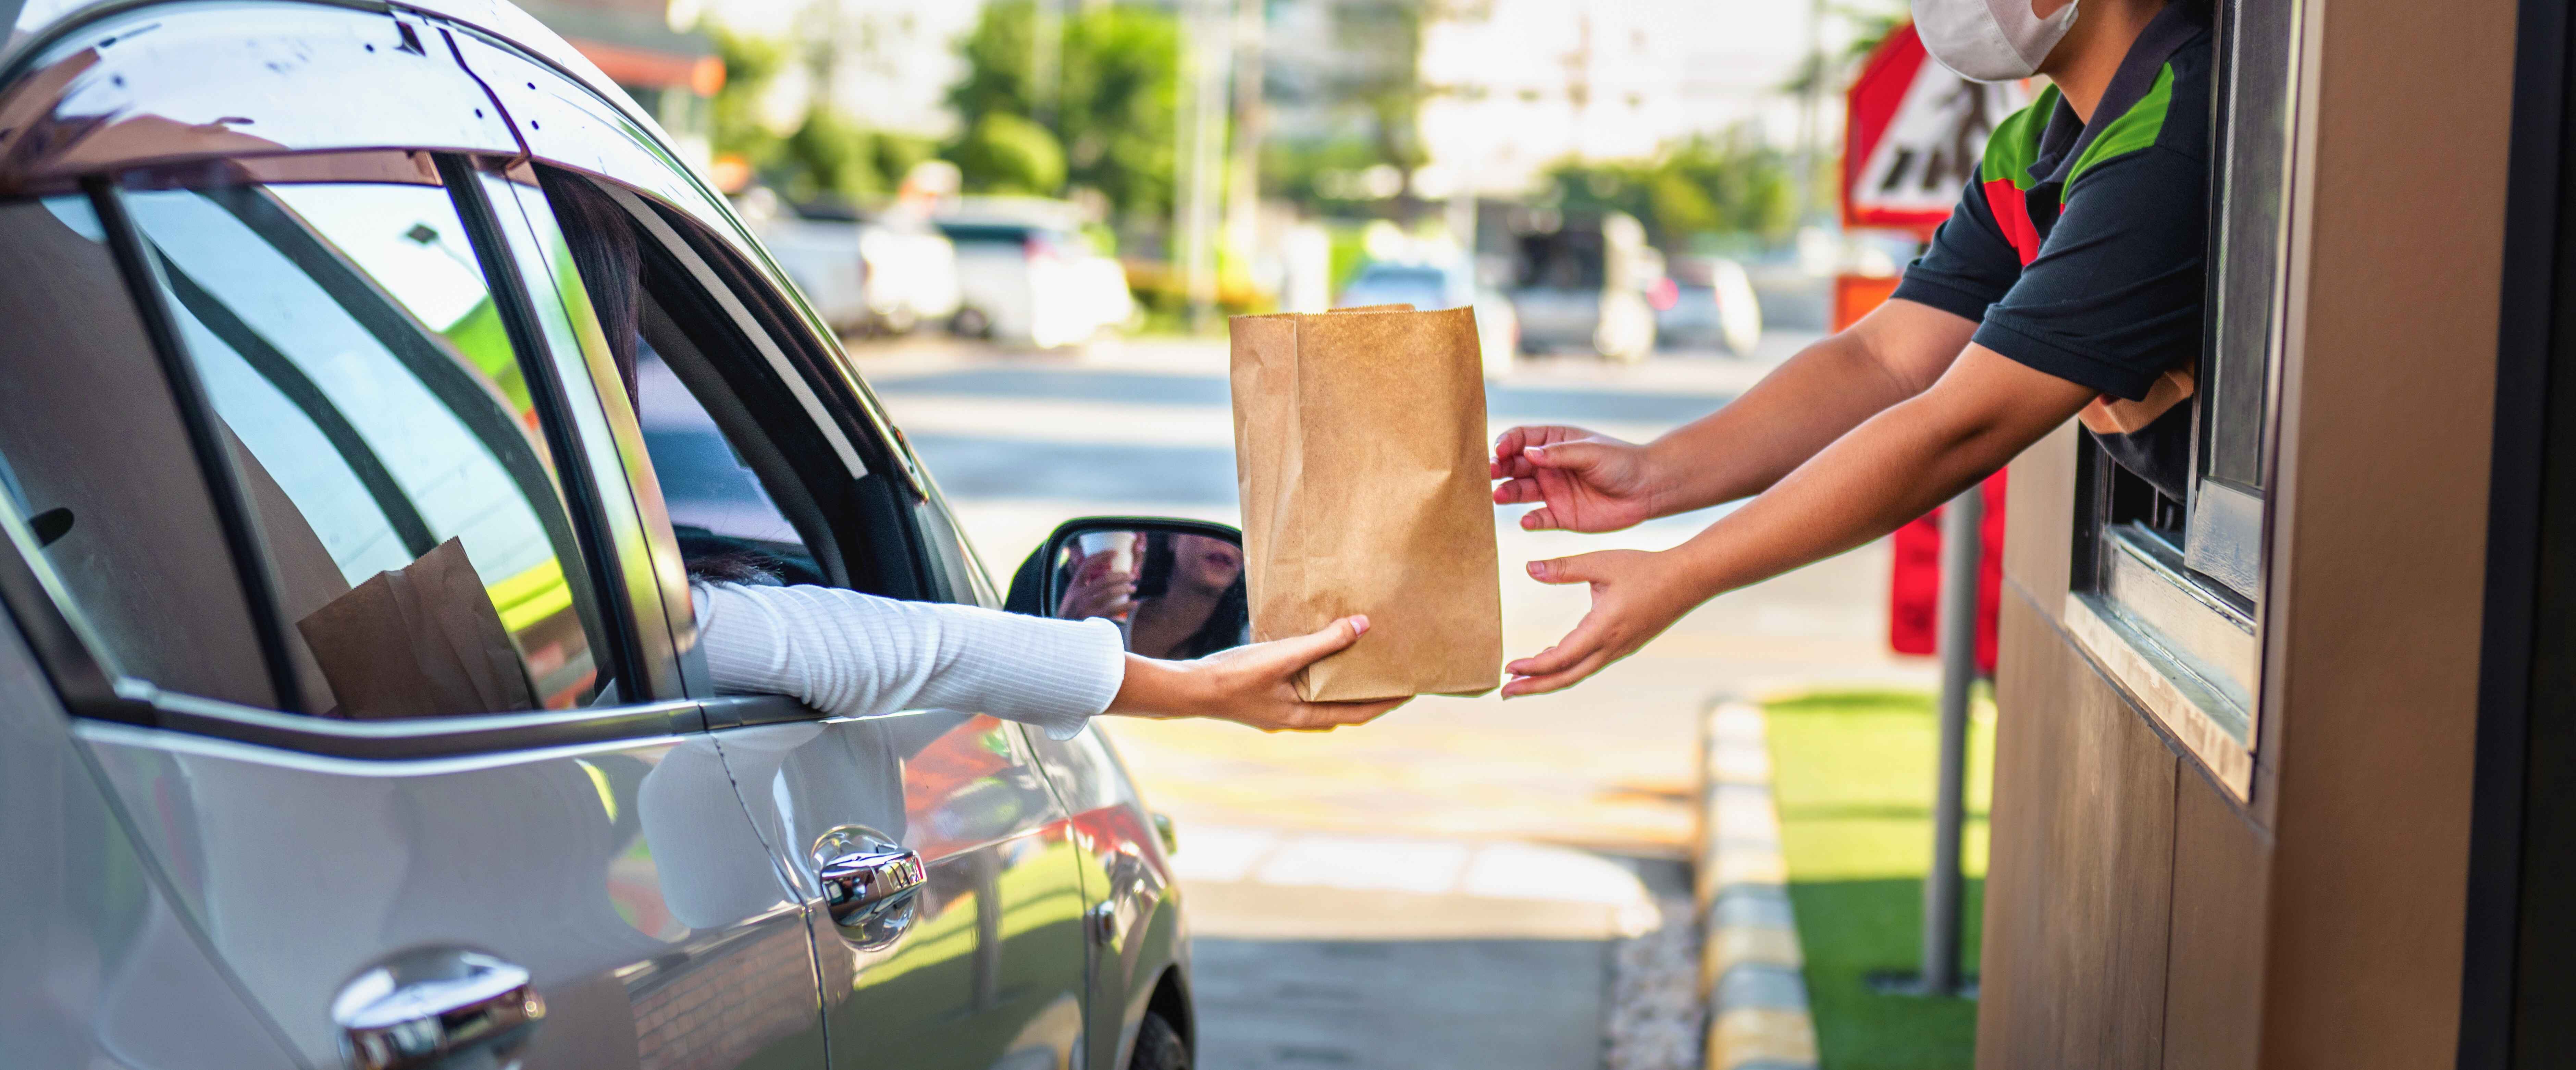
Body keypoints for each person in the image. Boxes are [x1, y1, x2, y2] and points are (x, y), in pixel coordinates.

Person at [1490, 0, 2210, 697]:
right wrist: (1655, 475)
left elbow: (1962, 424)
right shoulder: (2030, 147)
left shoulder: (2171, 136)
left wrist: (1685, 571)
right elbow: (1884, 360)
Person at [536, 172, 1399, 736]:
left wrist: (1194, 681)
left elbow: (901, 644)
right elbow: (897, 645)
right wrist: (1196, 689)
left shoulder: (511, 587)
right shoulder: (569, 604)